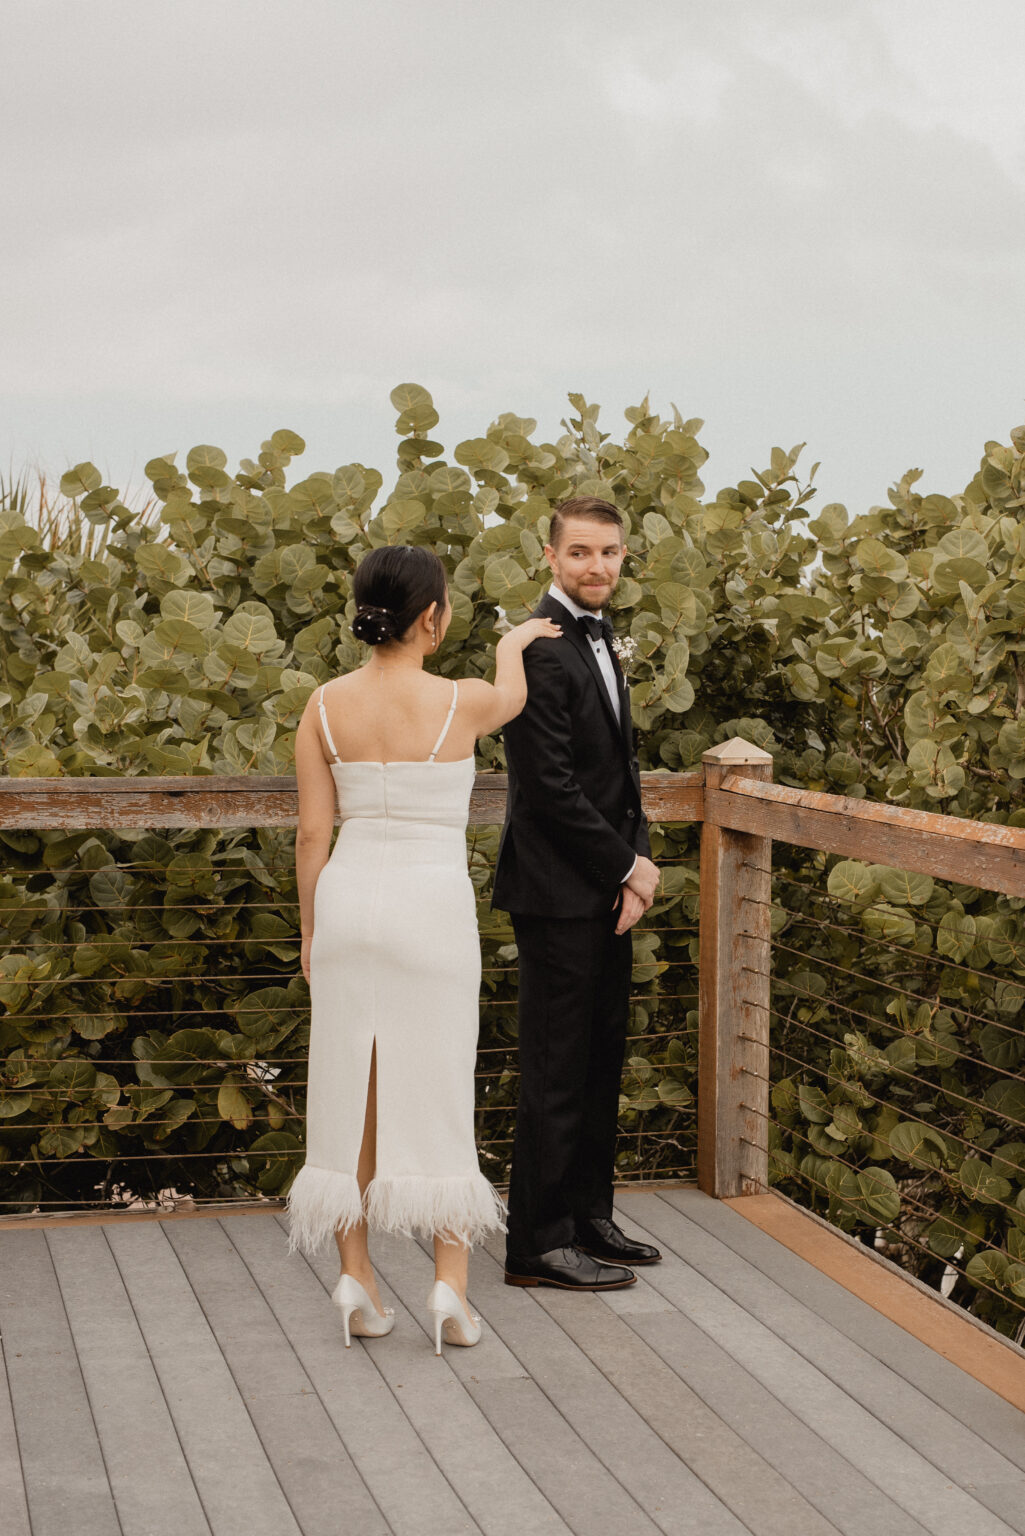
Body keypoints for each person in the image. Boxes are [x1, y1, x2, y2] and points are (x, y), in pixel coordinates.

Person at [287, 544, 561, 1354]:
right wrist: (513, 641)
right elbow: (514, 689)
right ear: (433, 617)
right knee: (439, 1085)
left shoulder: (323, 704)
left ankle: (354, 1279)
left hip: (346, 902)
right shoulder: (462, 701)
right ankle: (449, 1286)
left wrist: (310, 931)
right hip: (430, 908)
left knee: (349, 1086)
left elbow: (310, 833)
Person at [493, 496, 664, 1289]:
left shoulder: (598, 639)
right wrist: (629, 868)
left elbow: (618, 779)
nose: (597, 566)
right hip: (556, 893)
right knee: (556, 1071)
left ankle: (589, 1218)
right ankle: (534, 1243)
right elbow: (551, 788)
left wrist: (632, 864)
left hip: (603, 891)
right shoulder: (535, 649)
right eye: (582, 553)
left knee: (600, 1063)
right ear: (550, 556)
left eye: (610, 553)